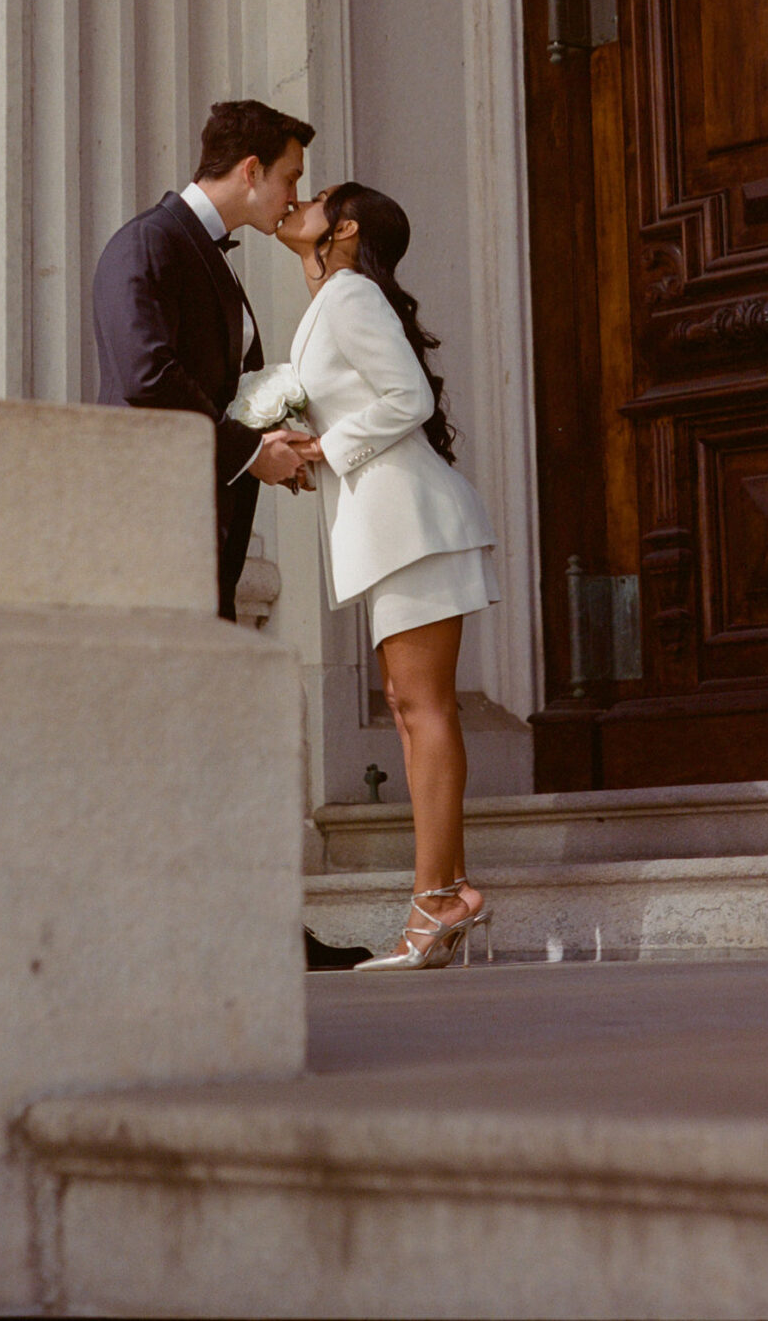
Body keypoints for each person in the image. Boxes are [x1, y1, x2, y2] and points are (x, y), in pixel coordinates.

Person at [90, 100, 371, 972]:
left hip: (198, 531)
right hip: (153, 535)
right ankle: (191, 935)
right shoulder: (146, 245)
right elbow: (144, 377)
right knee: (168, 744)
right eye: (288, 176)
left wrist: (272, 437)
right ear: (249, 170)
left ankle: (251, 932)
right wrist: (253, 451)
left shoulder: (203, 255)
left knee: (208, 741)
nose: (292, 195)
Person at [276, 180, 499, 971]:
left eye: (319, 195)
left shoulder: (350, 295)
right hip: (388, 527)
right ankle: (449, 892)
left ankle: (438, 901)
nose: (297, 200)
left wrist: (323, 449)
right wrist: (308, 452)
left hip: (414, 522)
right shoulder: (333, 298)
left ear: (345, 227)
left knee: (423, 707)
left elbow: (403, 397)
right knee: (409, 708)